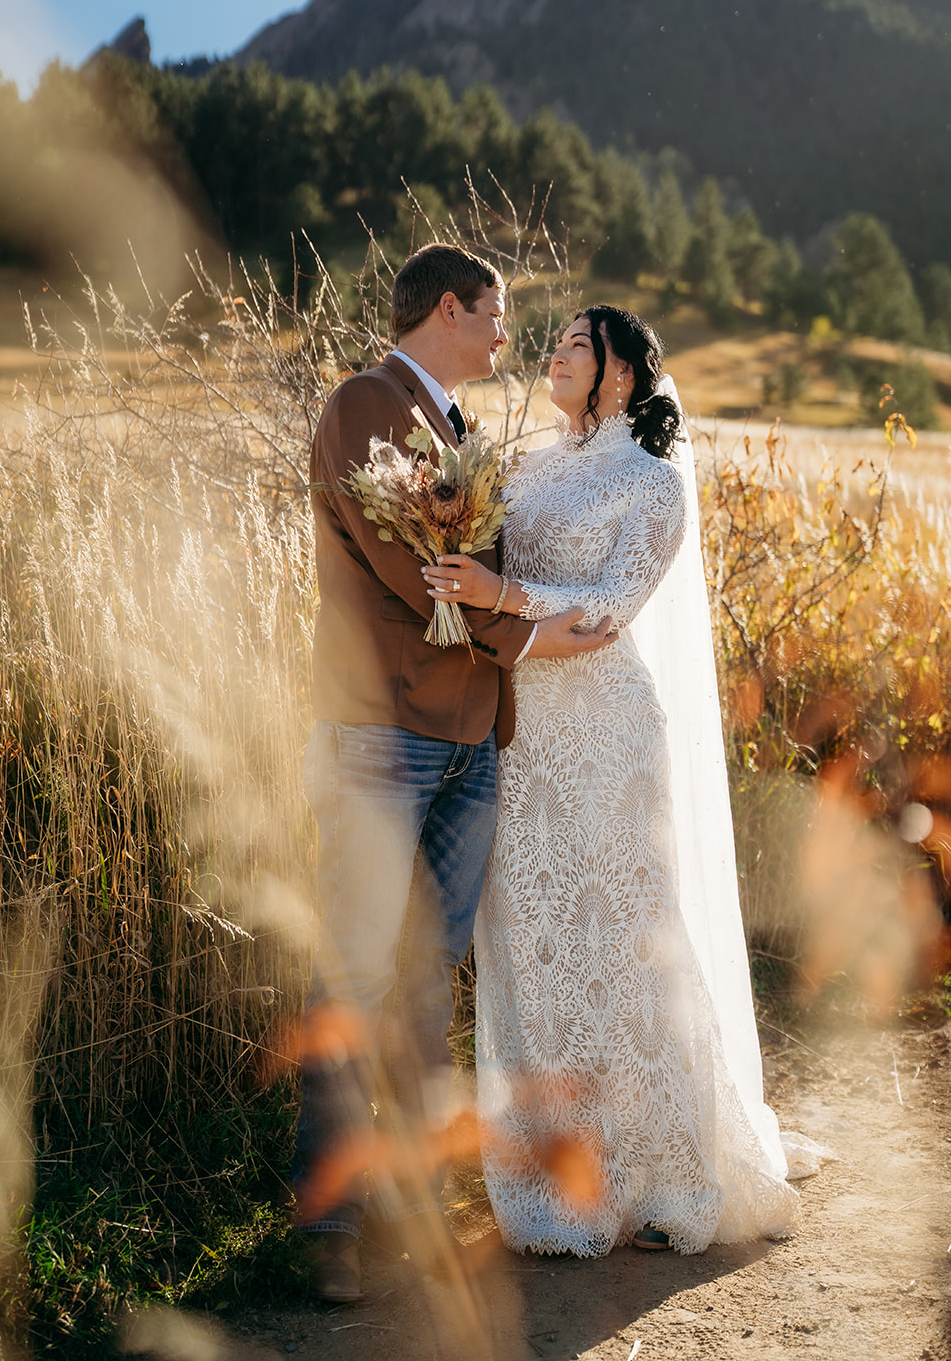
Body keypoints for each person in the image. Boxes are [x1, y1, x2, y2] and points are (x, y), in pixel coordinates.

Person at [423, 305, 803, 1256]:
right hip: (516, 729)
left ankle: (662, 1170)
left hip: (605, 734)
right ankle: (553, 1177)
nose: (555, 350)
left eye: (579, 345)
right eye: (553, 340)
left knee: (623, 947)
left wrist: (497, 595)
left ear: (624, 376)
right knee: (532, 947)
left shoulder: (652, 483)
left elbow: (609, 613)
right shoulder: (522, 466)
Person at [293, 246, 619, 1302]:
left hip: (468, 745)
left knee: (425, 981)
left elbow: (457, 585)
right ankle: (329, 1224)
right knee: (352, 975)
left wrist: (505, 613)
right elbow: (418, 578)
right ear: (448, 307)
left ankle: (411, 1207)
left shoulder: (458, 431)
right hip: (381, 734)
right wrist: (528, 628)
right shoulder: (361, 405)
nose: (505, 333)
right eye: (495, 312)